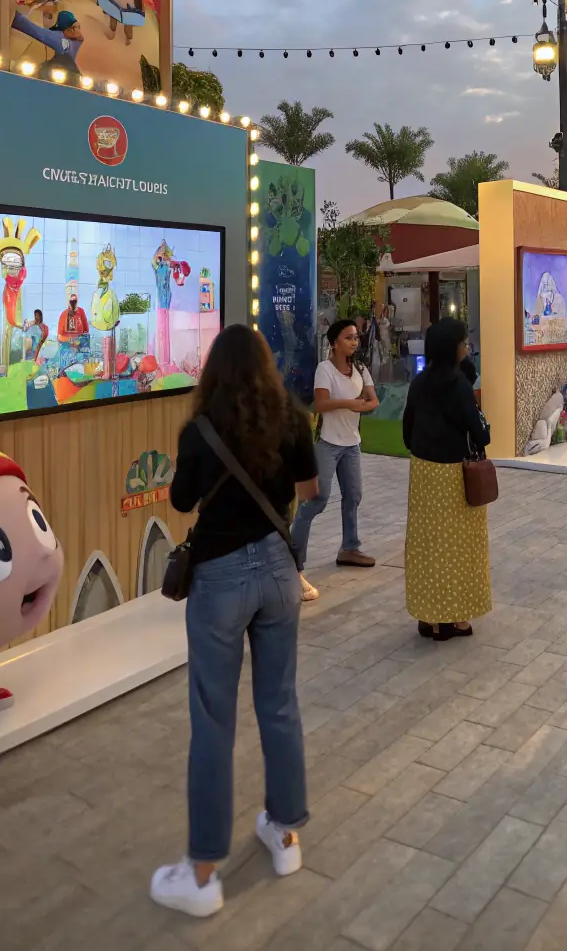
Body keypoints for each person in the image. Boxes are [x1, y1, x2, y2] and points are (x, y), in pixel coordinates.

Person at [151, 325, 319, 918]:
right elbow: (310, 486)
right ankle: (286, 836)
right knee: (279, 705)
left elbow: (179, 501)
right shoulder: (293, 419)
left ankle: (201, 875)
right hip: (279, 571)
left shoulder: (199, 431)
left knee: (213, 721)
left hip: (219, 578)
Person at [402, 318, 491, 641]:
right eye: (463, 342)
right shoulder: (460, 386)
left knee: (427, 546)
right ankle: (452, 618)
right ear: (452, 348)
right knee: (457, 548)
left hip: (424, 474)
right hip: (455, 476)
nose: (467, 347)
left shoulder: (418, 384)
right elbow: (480, 434)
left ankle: (429, 616)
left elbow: (407, 434)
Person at [291, 319, 378, 602]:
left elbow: (373, 400)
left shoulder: (361, 369)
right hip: (328, 442)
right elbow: (321, 404)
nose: (354, 342)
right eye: (348, 337)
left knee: (353, 495)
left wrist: (363, 404)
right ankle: (293, 561)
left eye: (356, 337)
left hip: (352, 443)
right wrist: (352, 403)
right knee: (316, 499)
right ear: (334, 342)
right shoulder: (324, 369)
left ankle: (349, 548)